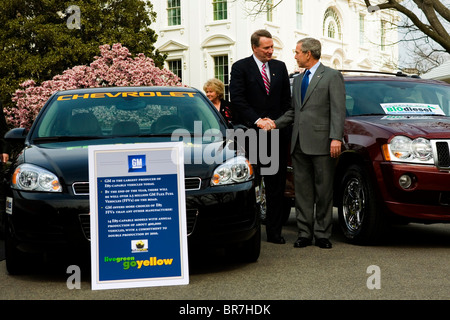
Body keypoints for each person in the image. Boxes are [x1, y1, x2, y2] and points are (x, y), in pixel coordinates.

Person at [270, 37, 346, 249]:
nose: (294, 56)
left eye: (297, 52)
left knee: (323, 191)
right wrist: (274, 124)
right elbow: (295, 112)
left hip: (324, 144)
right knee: (302, 192)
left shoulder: (332, 76)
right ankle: (304, 233)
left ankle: (322, 234)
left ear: (308, 54)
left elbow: (338, 111)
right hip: (299, 144)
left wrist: (336, 138)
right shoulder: (299, 79)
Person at [229, 29, 291, 244]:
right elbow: (237, 99)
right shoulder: (240, 68)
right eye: (266, 48)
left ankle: (275, 233)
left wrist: (275, 123)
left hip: (275, 135)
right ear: (255, 47)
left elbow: (286, 102)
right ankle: (250, 231)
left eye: (272, 47)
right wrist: (258, 121)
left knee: (275, 188)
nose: (271, 51)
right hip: (251, 135)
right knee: (251, 186)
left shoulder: (280, 67)